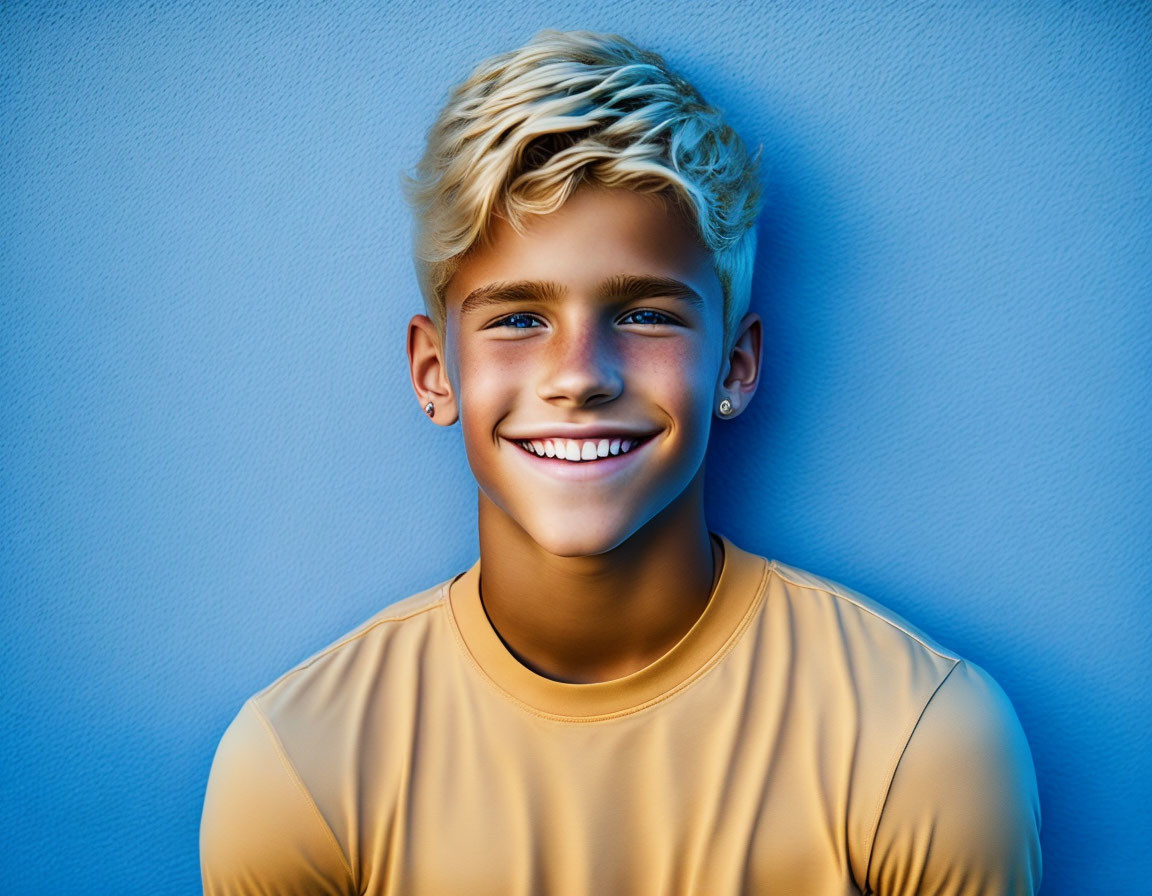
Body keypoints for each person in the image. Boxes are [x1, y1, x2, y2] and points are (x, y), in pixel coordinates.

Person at [200, 29, 1041, 895]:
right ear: (434, 371)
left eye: (644, 314)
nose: (579, 377)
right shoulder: (300, 767)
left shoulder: (918, 741)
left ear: (735, 365)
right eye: (518, 318)